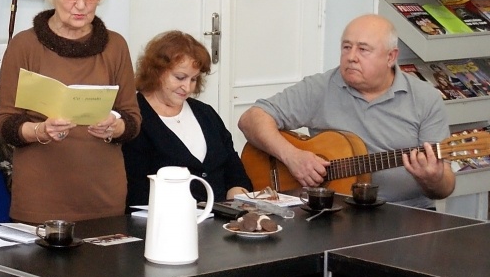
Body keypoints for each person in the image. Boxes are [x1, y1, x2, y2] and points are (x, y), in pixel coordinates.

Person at [238, 14, 455, 209]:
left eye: (363, 49)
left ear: (391, 57)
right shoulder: (320, 87)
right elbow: (251, 119)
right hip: (334, 212)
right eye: (346, 47)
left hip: (406, 212)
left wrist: (432, 178)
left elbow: (444, 188)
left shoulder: (426, 98)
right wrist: (293, 156)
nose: (351, 57)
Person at [0, 0, 141, 223]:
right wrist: (41, 130)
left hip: (103, 198)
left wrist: (115, 126)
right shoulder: (24, 46)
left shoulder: (115, 46)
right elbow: (5, 124)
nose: (82, 4)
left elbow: (133, 120)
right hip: (40, 199)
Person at [122, 31, 252, 207]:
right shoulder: (134, 118)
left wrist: (237, 202)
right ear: (156, 72)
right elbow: (137, 192)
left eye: (194, 79)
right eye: (180, 77)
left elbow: (234, 169)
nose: (187, 87)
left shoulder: (205, 113)